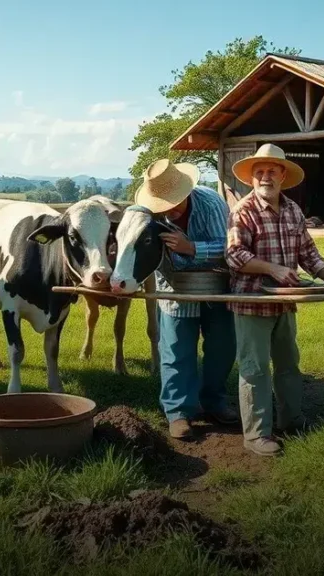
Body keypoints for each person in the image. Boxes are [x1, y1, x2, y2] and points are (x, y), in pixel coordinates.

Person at [224, 144, 324, 457]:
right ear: (252, 178)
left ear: (283, 175)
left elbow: (308, 254)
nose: (264, 177)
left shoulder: (293, 210)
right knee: (255, 369)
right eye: (259, 172)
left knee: (288, 364)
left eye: (271, 171)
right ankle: (257, 435)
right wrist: (272, 268)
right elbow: (233, 255)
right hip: (252, 302)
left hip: (285, 301)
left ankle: (291, 421)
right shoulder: (243, 211)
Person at [134, 158, 239, 439]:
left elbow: (229, 246)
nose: (172, 208)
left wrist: (191, 247)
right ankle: (178, 411)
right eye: (165, 204)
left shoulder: (210, 203)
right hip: (174, 288)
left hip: (216, 284)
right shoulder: (147, 215)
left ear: (187, 190)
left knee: (222, 347)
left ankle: (214, 401)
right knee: (176, 350)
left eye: (176, 200)